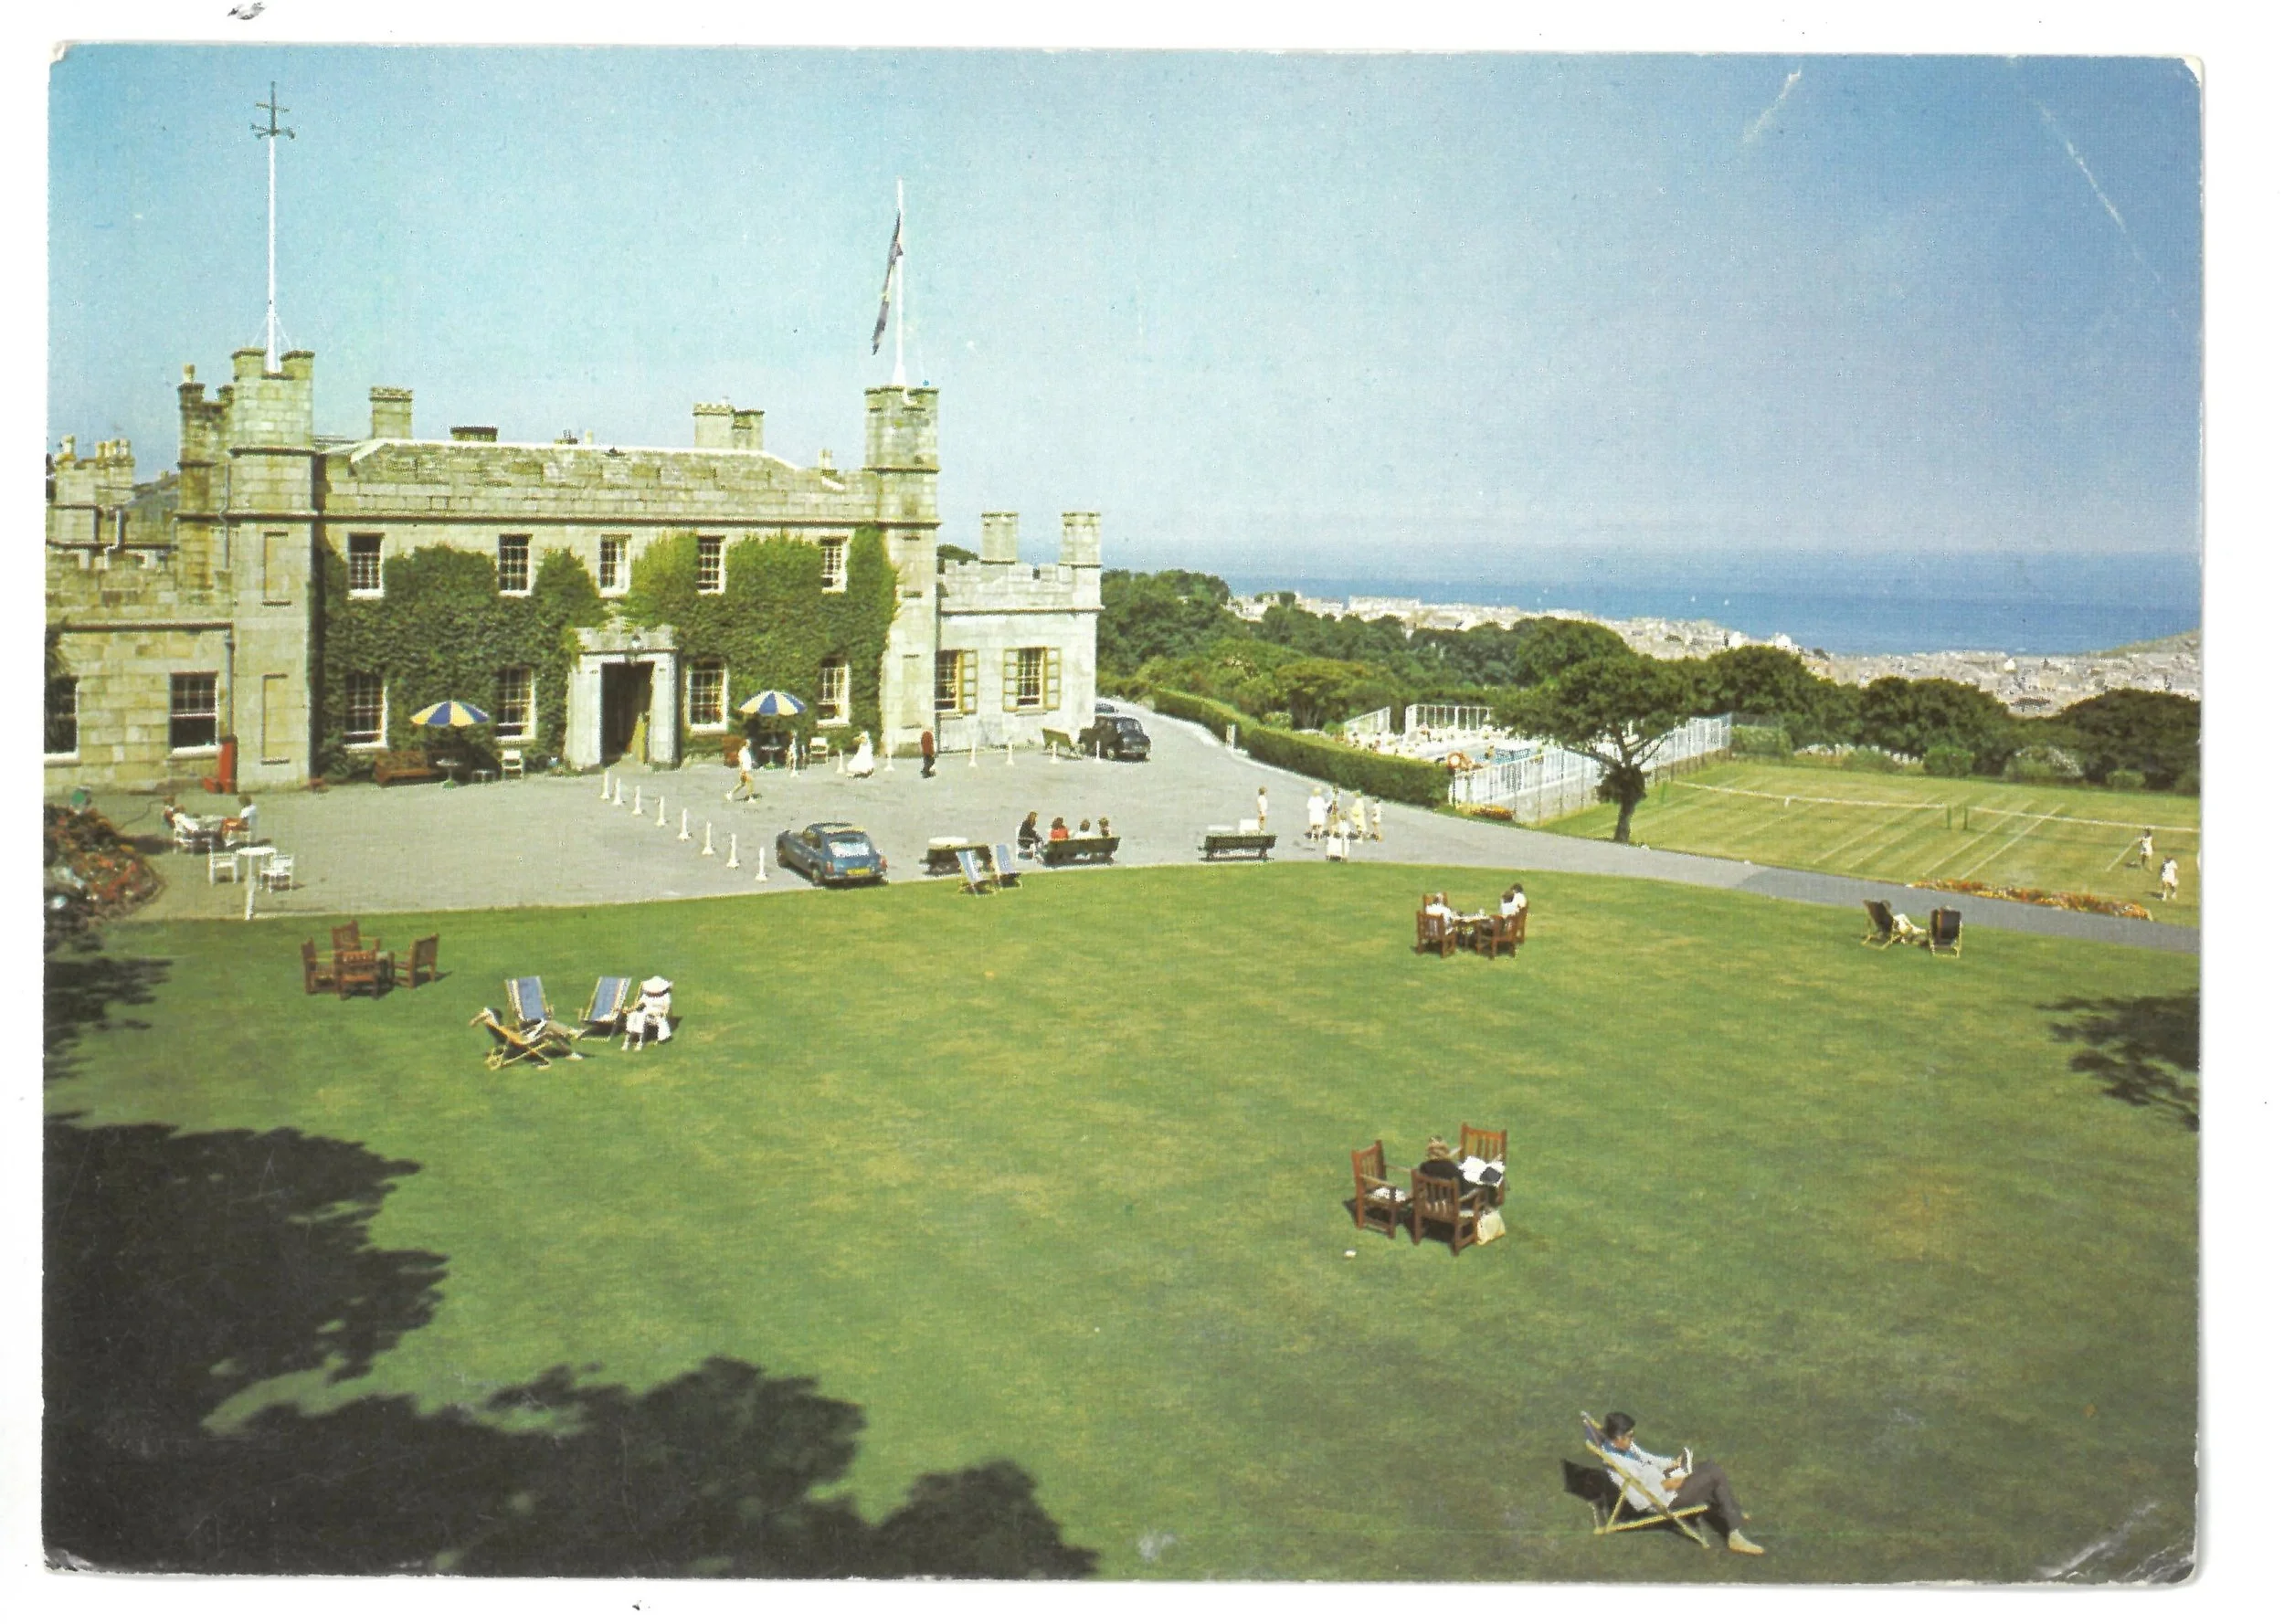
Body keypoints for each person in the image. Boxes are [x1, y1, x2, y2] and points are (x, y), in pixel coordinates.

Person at [1597, 1412, 1762, 1555]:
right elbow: (1640, 1502)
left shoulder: (1623, 1446)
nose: (1632, 1439)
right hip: (1664, 1497)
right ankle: (1735, 1536)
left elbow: (1648, 1458)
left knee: (1709, 1466)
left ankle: (1733, 1512)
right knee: (1714, 1475)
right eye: (1629, 1436)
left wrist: (1671, 1464)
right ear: (1617, 1438)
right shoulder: (1617, 1465)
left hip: (1664, 1479)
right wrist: (1666, 1485)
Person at [623, 975, 674, 1051]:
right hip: (646, 1013)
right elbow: (637, 1005)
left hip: (657, 1016)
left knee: (641, 1017)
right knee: (633, 1015)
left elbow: (666, 1010)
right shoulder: (647, 995)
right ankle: (627, 1040)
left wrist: (659, 1013)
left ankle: (640, 1042)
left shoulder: (665, 996)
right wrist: (629, 1010)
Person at [726, 733, 757, 801]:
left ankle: (730, 794)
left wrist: (752, 763)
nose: (750, 744)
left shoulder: (747, 751)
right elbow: (741, 762)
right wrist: (742, 771)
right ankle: (750, 798)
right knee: (750, 783)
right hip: (745, 770)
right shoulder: (742, 752)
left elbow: (747, 760)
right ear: (745, 744)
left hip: (747, 769)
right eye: (749, 743)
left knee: (742, 784)